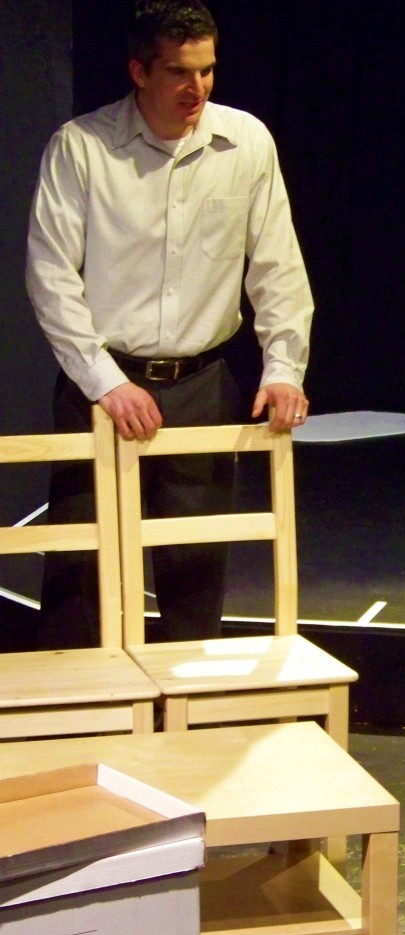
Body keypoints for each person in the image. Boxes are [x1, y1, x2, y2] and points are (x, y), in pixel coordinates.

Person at [26, 0, 312, 647]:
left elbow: (278, 266)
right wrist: (107, 383)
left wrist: (284, 368)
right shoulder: (83, 147)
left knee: (194, 569)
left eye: (207, 70)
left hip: (201, 385)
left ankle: (185, 703)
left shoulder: (245, 142)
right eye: (180, 72)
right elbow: (50, 276)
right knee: (80, 571)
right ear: (139, 71)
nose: (197, 87)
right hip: (103, 387)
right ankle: (80, 701)